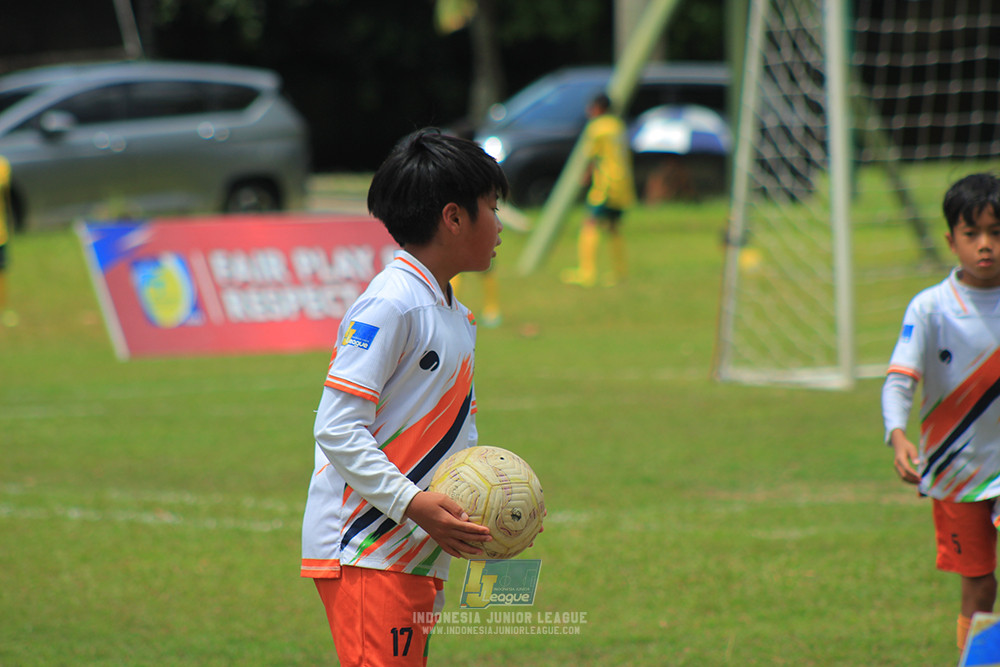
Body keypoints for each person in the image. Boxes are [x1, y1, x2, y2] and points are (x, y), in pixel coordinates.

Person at [300, 128, 507, 666]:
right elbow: (337, 428)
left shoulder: (451, 312)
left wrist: (490, 509)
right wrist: (414, 504)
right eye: (491, 208)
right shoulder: (392, 306)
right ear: (454, 217)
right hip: (369, 547)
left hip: (412, 548)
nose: (501, 227)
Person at [882, 172, 1000, 654]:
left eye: (996, 232)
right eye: (972, 234)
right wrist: (897, 433)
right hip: (958, 471)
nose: (986, 245)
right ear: (952, 240)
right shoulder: (930, 309)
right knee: (978, 586)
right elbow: (899, 380)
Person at [561, 92, 636, 288]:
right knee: (613, 228)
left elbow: (591, 156)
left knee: (590, 223)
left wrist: (585, 176)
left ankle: (587, 273)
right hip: (623, 183)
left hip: (606, 184)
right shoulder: (617, 126)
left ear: (598, 108)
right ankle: (620, 272)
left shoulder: (597, 128)